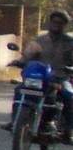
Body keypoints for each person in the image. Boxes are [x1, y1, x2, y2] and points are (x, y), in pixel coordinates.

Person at [6, 8, 73, 139]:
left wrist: (70, 68)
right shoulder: (40, 40)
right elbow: (28, 54)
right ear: (50, 22)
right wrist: (19, 61)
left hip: (59, 78)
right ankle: (15, 121)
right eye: (54, 21)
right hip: (39, 78)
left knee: (69, 96)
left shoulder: (70, 43)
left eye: (60, 22)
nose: (56, 24)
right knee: (20, 90)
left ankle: (68, 130)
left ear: (64, 25)